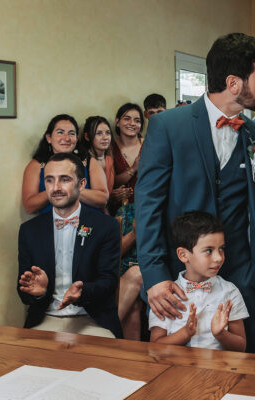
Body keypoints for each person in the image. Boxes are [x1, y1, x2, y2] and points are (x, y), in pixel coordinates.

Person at [135, 33, 255, 353]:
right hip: (180, 279)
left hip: (241, 277)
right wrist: (155, 275)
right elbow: (148, 205)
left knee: (244, 373)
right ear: (234, 83)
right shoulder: (168, 126)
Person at [17, 153, 122, 338]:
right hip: (45, 319)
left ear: (81, 184)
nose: (56, 187)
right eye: (49, 180)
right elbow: (23, 290)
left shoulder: (106, 226)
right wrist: (38, 293)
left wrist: (82, 292)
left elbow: (109, 282)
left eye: (64, 179)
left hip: (92, 319)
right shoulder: (29, 230)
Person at [149, 211, 248, 351]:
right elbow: (154, 346)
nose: (218, 258)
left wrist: (221, 334)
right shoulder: (166, 295)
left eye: (221, 249)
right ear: (183, 255)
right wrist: (185, 333)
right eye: (209, 250)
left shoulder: (229, 291)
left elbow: (241, 347)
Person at [22, 114, 109, 214]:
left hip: (88, 223)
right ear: (49, 138)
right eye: (60, 132)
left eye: (71, 133)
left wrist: (69, 189)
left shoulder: (89, 161)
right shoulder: (36, 165)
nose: (67, 138)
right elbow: (29, 207)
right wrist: (58, 189)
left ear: (76, 138)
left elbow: (103, 199)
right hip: (51, 225)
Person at [110, 103, 145, 340]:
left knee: (138, 297)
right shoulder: (110, 148)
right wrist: (133, 169)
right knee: (123, 283)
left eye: (136, 120)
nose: (132, 124)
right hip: (120, 213)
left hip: (145, 211)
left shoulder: (149, 145)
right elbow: (109, 183)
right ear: (117, 121)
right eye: (127, 119)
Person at [80, 116, 114, 198]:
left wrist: (114, 195)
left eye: (108, 133)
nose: (105, 137)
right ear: (87, 137)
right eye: (99, 133)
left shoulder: (109, 159)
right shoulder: (83, 161)